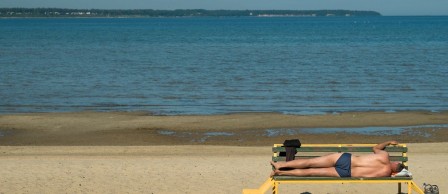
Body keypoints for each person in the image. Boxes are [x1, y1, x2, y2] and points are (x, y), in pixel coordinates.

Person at [270, 140, 405, 178]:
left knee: (311, 163)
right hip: (347, 173)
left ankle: (280, 165)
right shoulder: (386, 174)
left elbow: (375, 147)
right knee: (311, 172)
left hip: (346, 160)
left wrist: (387, 142)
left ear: (396, 162)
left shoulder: (384, 156)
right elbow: (397, 173)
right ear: (395, 171)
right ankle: (281, 172)